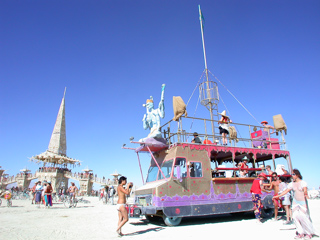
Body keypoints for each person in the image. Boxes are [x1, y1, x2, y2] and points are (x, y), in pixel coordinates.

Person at [273, 169, 316, 239]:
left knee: (304, 217)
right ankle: (300, 232)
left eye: (293, 174)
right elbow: (286, 191)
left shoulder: (303, 183)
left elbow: (305, 190)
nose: (292, 176)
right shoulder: (291, 184)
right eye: (292, 174)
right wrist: (277, 196)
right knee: (296, 217)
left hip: (302, 202)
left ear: (297, 175)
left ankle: (308, 233)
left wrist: (306, 194)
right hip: (295, 202)